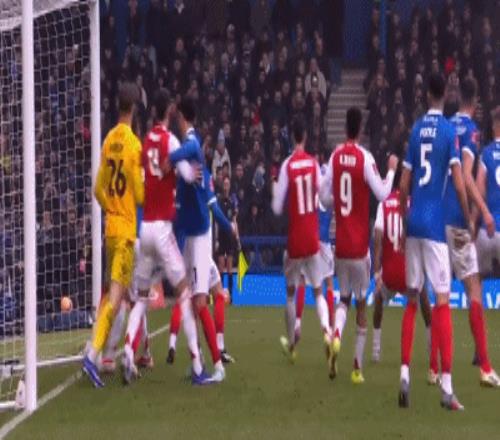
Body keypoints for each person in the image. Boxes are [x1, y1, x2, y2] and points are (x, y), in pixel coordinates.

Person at [122, 89, 209, 385]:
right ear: (169, 113)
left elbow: (142, 176)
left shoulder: (146, 141)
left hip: (144, 228)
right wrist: (195, 173)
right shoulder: (170, 140)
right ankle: (197, 364)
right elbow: (186, 174)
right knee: (184, 292)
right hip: (162, 228)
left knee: (141, 298)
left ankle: (127, 351)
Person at [398, 73, 472, 410]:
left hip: (414, 222)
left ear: (427, 93)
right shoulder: (448, 132)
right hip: (434, 226)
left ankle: (404, 374)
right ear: (446, 95)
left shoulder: (416, 130)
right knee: (443, 300)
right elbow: (458, 183)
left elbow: (403, 184)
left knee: (412, 299)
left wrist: (403, 217)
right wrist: (467, 217)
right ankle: (447, 387)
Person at [320, 107, 398, 384]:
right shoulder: (365, 158)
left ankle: (336, 334)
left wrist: (337, 200)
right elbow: (383, 193)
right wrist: (391, 171)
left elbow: (323, 198)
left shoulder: (335, 157)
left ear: (345, 128)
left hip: (340, 245)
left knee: (343, 299)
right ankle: (356, 368)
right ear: (361, 129)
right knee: (362, 306)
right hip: (359, 248)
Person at [83, 83, 145, 388]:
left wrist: (111, 208)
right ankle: (94, 355)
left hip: (110, 230)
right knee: (117, 297)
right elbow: (140, 195)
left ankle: (105, 353)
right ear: (133, 109)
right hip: (126, 234)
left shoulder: (108, 140)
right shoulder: (133, 144)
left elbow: (98, 189)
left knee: (114, 296)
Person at [440, 78, 499, 387]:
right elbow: (465, 176)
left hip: (435, 221)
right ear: (475, 102)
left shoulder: (444, 127)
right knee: (474, 287)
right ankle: (485, 367)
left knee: (438, 291)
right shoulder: (472, 132)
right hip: (457, 220)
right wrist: (480, 213)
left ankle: (434, 367)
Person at [166, 97, 226, 383]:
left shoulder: (192, 143)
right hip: (190, 234)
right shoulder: (189, 155)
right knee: (189, 299)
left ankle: (218, 365)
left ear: (182, 117)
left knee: (200, 301)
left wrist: (169, 157)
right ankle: (198, 363)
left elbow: (191, 148)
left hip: (200, 236)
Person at [272, 117, 334, 379]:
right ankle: (327, 330)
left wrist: (278, 191)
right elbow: (324, 199)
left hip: (295, 238)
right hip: (312, 237)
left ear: (291, 138)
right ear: (305, 137)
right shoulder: (313, 164)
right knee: (318, 291)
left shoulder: (287, 165)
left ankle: (292, 343)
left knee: (290, 292)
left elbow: (277, 207)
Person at [167, 168, 237, 365]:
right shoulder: (201, 178)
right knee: (197, 303)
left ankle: (214, 349)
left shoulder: (181, 186)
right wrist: (230, 227)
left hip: (193, 252)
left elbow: (176, 224)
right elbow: (215, 211)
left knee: (215, 294)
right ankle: (203, 358)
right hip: (198, 253)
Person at [371, 167, 432, 363]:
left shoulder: (384, 205)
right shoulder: (414, 203)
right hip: (409, 271)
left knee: (378, 299)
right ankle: (431, 346)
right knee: (423, 298)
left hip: (390, 273)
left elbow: (378, 240)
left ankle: (376, 349)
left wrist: (377, 273)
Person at [476, 106, 500, 278]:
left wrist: (475, 219)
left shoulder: (486, 153)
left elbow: (479, 189)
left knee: (477, 279)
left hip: (487, 228)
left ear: (494, 127)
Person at [217, 176, 238, 299]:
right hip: (221, 234)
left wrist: (237, 235)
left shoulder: (232, 201)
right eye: (224, 184)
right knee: (221, 265)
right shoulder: (219, 200)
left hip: (230, 236)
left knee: (229, 266)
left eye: (227, 184)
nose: (226, 186)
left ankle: (230, 295)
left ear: (229, 186)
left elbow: (234, 219)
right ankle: (219, 294)